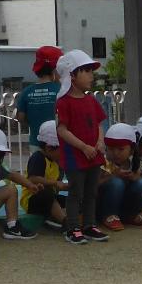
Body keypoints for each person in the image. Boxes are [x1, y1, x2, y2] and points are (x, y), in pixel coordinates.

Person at [52, 49, 108, 244]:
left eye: (90, 71)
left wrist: (100, 142)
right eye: (86, 70)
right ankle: (73, 227)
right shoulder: (63, 102)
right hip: (75, 155)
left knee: (92, 191)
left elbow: (100, 123)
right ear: (72, 75)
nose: (91, 75)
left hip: (93, 154)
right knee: (76, 191)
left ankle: (89, 225)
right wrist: (84, 146)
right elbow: (62, 130)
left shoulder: (91, 100)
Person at [98, 123, 142, 229]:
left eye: (120, 149)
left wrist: (136, 177)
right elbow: (92, 186)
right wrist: (111, 176)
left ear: (131, 150)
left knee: (141, 184)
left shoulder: (133, 162)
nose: (115, 153)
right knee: (116, 183)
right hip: (103, 204)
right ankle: (109, 215)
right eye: (111, 149)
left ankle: (131, 214)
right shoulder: (105, 162)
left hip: (124, 204)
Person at [15, 46, 63, 139]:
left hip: (36, 141)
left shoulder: (26, 92)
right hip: (59, 142)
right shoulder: (61, 90)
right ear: (55, 68)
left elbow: (20, 118)